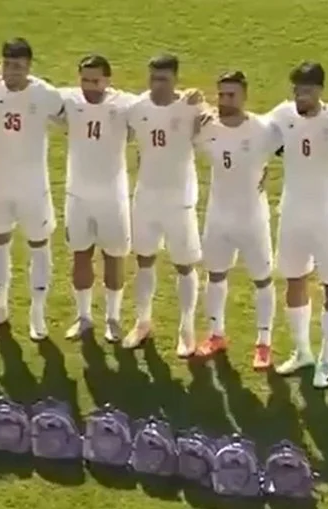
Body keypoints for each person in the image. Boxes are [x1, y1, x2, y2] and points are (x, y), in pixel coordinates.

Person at [266, 62, 328, 388]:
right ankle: (302, 351)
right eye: (296, 90)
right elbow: (253, 134)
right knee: (294, 279)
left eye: (306, 90)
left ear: (320, 90)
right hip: (292, 212)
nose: (300, 96)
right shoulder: (282, 115)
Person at [122, 54, 209, 357]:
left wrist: (202, 106)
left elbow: (210, 133)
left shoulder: (190, 107)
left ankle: (187, 329)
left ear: (175, 79)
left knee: (184, 265)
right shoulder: (137, 108)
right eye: (153, 78)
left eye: (164, 79)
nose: (157, 85)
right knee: (144, 260)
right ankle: (142, 322)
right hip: (146, 197)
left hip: (180, 201)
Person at [0, 38, 64, 341]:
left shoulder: (44, 94)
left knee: (39, 245)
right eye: (6, 64)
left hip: (33, 186)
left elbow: (70, 119)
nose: (11, 71)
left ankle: (37, 314)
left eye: (17, 66)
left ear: (28, 66)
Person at [192, 70, 278, 370]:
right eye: (222, 94)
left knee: (262, 280)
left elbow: (292, 151)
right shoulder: (206, 127)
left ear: (244, 96)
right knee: (215, 275)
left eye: (232, 95)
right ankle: (216, 335)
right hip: (218, 216)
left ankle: (264, 343)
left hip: (252, 218)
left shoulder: (263, 129)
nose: (225, 101)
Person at [60, 54, 139, 342]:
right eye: (84, 80)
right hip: (77, 195)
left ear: (108, 79)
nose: (89, 86)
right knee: (80, 254)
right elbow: (31, 91)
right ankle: (83, 317)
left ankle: (113, 318)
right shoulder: (68, 100)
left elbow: (160, 104)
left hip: (112, 197)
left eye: (95, 80)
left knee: (114, 257)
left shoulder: (125, 104)